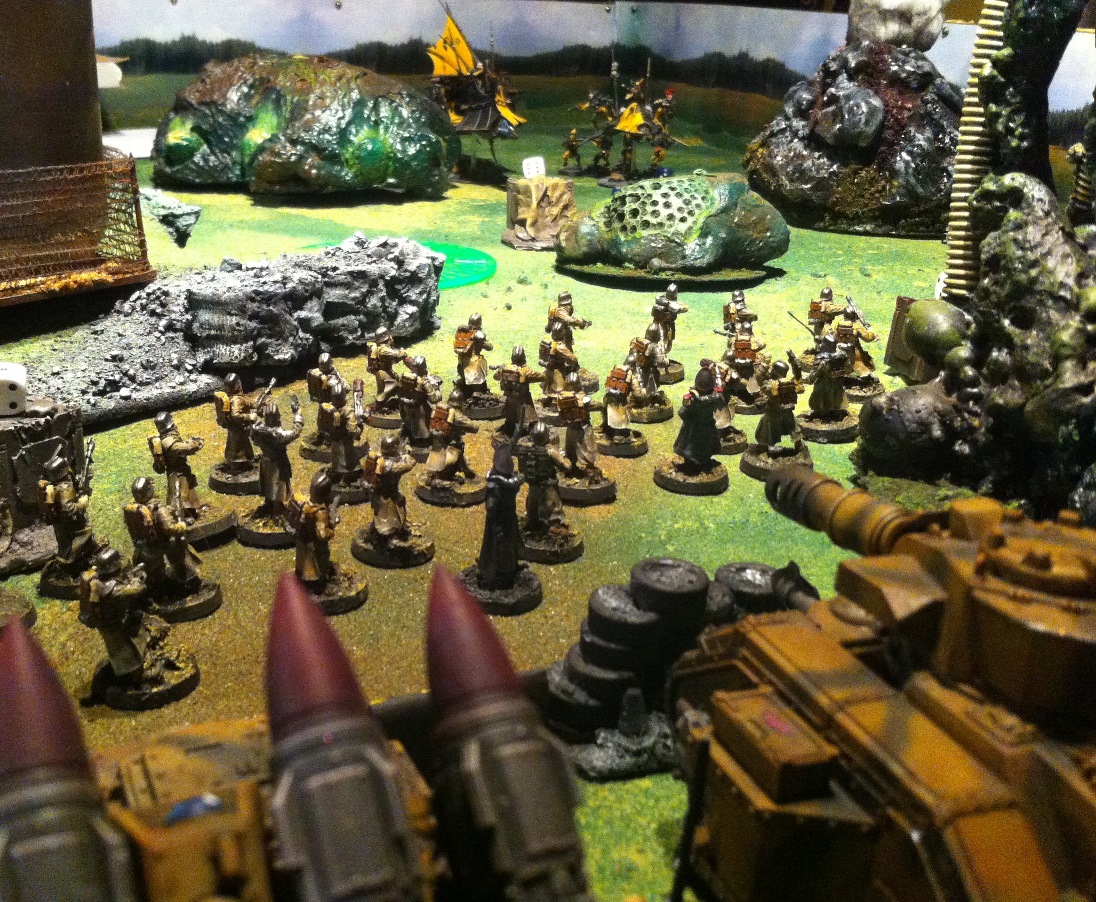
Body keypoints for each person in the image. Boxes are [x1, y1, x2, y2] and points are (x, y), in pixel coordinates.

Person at [123, 477, 199, 593]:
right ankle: (187, 578)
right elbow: (171, 529)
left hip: (144, 547)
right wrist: (182, 525)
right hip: (161, 544)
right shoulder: (159, 509)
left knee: (155, 573)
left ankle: (159, 586)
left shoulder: (132, 509)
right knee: (179, 550)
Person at [38, 453, 100, 573]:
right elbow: (68, 509)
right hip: (72, 526)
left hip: (63, 525)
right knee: (79, 541)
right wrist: (81, 504)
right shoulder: (64, 488)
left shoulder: (54, 486)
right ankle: (74, 564)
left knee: (69, 545)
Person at [475, 444, 525, 590]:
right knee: (497, 546)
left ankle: (509, 568)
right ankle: (493, 574)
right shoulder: (501, 485)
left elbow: (491, 506)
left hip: (505, 518)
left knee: (508, 543)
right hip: (500, 520)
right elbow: (491, 507)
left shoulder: (500, 484)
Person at [251, 397, 304, 522]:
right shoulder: (279, 434)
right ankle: (277, 511)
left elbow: (254, 438)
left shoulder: (258, 429)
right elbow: (295, 432)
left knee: (267, 484)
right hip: (278, 464)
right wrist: (297, 414)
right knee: (278, 488)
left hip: (265, 461)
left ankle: (268, 504)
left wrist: (256, 414)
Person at [150, 412, 205, 522]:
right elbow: (184, 448)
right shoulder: (168, 442)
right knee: (179, 496)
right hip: (177, 472)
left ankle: (191, 512)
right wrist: (196, 443)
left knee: (187, 492)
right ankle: (183, 518)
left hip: (181, 469)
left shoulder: (168, 437)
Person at [291, 472, 338, 592]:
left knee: (304, 563)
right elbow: (322, 535)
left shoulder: (305, 503)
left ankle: (304, 578)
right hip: (314, 545)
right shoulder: (320, 512)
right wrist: (332, 528)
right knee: (319, 562)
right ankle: (319, 583)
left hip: (302, 540)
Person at [367, 436, 416, 546]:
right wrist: (408, 455)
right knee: (389, 517)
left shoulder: (382, 461)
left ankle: (379, 531)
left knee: (395, 509)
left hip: (386, 493)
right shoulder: (389, 465)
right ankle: (391, 538)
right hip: (386, 495)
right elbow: (408, 465)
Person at [672, 368, 723, 474]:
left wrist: (696, 401)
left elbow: (683, 412)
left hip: (698, 427)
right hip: (703, 426)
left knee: (693, 447)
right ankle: (696, 463)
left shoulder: (706, 398)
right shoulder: (708, 397)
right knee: (700, 446)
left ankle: (698, 464)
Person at [424, 389, 479, 485]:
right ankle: (446, 477)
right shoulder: (457, 415)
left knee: (458, 455)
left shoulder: (442, 409)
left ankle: (467, 472)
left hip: (437, 443)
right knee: (457, 451)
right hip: (450, 445)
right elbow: (474, 427)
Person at [755, 356, 806, 455]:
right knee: (793, 428)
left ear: (776, 372)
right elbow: (800, 388)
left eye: (772, 369)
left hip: (774, 412)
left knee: (765, 429)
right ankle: (798, 445)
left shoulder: (771, 384)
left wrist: (764, 366)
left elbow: (760, 378)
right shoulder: (789, 383)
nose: (770, 371)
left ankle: (763, 446)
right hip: (785, 411)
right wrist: (797, 372)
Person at [494, 346, 544, 441]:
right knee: (532, 419)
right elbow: (541, 377)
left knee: (510, 418)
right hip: (523, 399)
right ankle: (533, 433)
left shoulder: (504, 369)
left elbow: (495, 377)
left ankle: (509, 430)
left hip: (510, 398)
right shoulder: (526, 371)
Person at [365, 328, 407, 412]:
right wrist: (402, 352)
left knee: (394, 384)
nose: (391, 337)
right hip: (383, 372)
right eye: (389, 336)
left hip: (384, 371)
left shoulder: (381, 347)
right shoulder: (383, 349)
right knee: (389, 387)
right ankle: (380, 406)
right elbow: (397, 354)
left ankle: (382, 404)